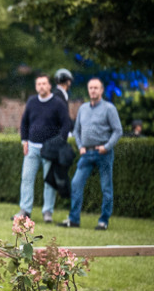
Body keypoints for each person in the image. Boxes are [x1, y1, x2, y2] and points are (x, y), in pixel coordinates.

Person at [60, 78, 122, 231]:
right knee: (75, 184)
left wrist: (106, 147)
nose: (93, 90)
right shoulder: (83, 108)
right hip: (86, 153)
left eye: (96, 88)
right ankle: (74, 219)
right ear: (88, 90)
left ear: (101, 90)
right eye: (90, 88)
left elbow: (118, 131)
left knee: (106, 188)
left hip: (104, 154)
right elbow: (77, 130)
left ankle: (103, 221)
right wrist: (80, 146)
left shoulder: (109, 108)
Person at [15, 73, 72, 223]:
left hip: (50, 150)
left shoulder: (58, 103)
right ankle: (25, 210)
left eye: (44, 84)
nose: (41, 86)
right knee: (27, 178)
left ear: (49, 86)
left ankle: (48, 212)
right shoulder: (32, 102)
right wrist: (24, 141)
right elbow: (24, 122)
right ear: (36, 86)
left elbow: (66, 124)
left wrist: (59, 142)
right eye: (39, 84)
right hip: (32, 148)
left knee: (49, 182)